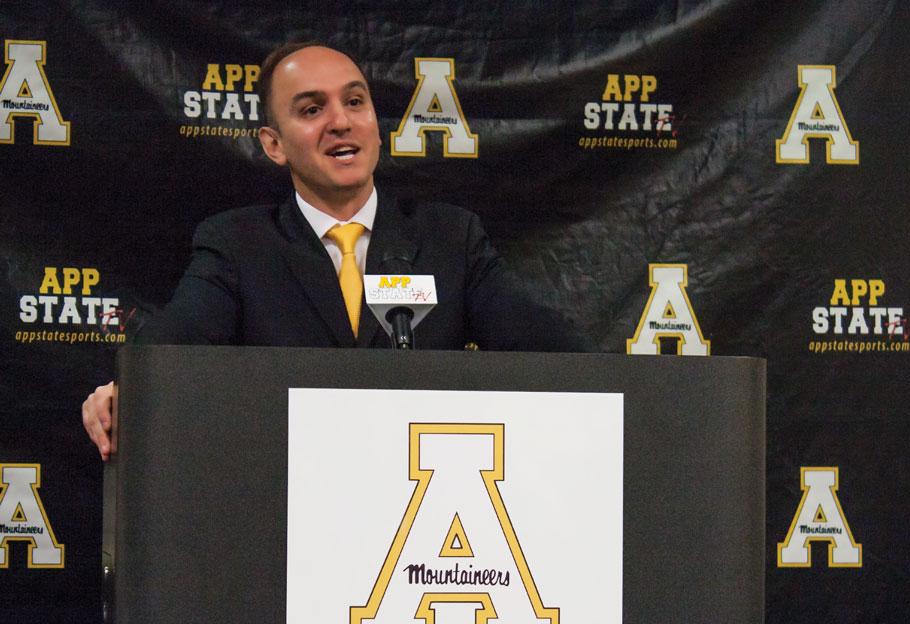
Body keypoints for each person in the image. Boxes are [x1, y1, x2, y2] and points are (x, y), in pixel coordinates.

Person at [82, 42, 591, 460]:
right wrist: (125, 393)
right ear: (273, 144)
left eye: (354, 102)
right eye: (311, 109)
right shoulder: (238, 246)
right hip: (288, 508)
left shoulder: (450, 240)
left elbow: (551, 347)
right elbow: (173, 348)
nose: (341, 122)